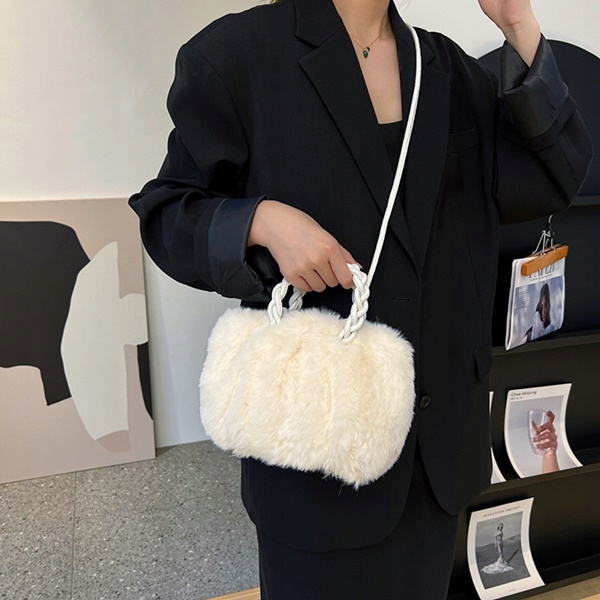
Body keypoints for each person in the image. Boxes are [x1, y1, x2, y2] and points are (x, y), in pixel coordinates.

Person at [129, 0, 592, 597]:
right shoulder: (238, 55)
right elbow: (168, 214)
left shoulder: (446, 67)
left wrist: (516, 23)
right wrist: (259, 222)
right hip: (314, 443)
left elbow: (556, 174)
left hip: (433, 446)